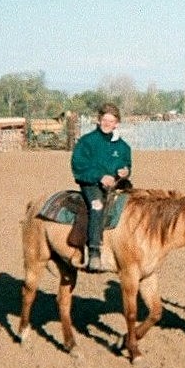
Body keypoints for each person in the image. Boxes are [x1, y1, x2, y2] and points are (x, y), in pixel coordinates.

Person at [70, 103, 132, 272]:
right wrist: (100, 176)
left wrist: (125, 171)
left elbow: (127, 165)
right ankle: (94, 251)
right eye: (104, 120)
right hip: (91, 185)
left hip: (117, 185)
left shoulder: (123, 147)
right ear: (99, 121)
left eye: (111, 121)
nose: (107, 123)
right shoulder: (87, 142)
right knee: (97, 207)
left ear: (117, 123)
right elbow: (78, 166)